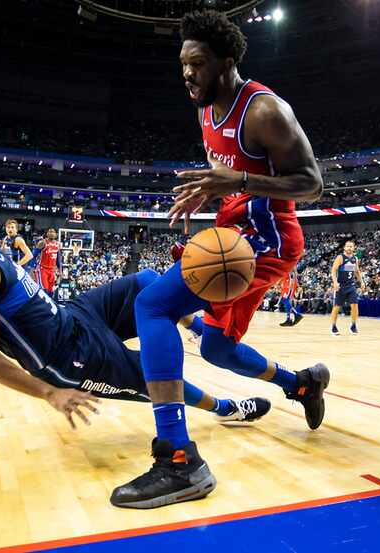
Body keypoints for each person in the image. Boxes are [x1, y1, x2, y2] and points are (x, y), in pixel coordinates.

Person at [110, 9, 327, 510]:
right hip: (234, 230)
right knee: (216, 349)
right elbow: (226, 172)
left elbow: (312, 184)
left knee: (153, 305)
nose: (188, 74)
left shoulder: (265, 111)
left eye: (198, 64)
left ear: (226, 61)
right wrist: (210, 194)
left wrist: (241, 183)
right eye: (183, 64)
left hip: (268, 240)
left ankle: (178, 460)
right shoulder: (205, 108)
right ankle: (303, 383)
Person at [0, 193, 270, 430]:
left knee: (147, 281)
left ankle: (197, 330)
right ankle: (226, 409)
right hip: (67, 354)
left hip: (71, 316)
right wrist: (50, 391)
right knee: (155, 372)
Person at [329, 240, 364, 335]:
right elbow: (333, 271)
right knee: (337, 307)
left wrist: (362, 282)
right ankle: (333, 325)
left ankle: (353, 325)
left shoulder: (355, 258)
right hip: (341, 286)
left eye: (351, 246)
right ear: (344, 247)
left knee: (355, 306)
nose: (349, 248)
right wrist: (335, 282)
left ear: (354, 248)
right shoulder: (340, 257)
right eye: (348, 246)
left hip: (351, 286)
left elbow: (357, 271)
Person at [34, 228, 61, 295]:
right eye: (50, 232)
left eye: (53, 232)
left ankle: (49, 305)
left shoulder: (58, 244)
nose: (51, 233)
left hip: (52, 270)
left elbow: (58, 259)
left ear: (56, 234)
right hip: (42, 269)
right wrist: (32, 268)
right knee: (43, 291)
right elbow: (33, 255)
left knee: (51, 291)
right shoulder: (42, 243)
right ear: (47, 234)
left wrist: (60, 271)